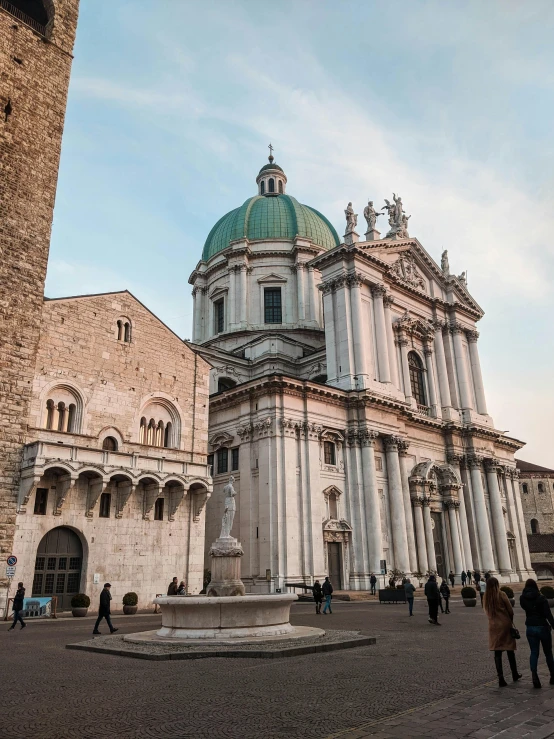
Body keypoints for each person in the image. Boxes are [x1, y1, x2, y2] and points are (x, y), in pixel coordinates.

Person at [483, 577, 521, 687]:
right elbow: (510, 610)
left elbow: (486, 611)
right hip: (504, 624)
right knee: (510, 650)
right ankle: (514, 674)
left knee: (497, 652)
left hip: (493, 626)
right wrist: (510, 621)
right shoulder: (502, 594)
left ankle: (501, 678)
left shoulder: (486, 596)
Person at [520, 578, 554, 688]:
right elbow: (548, 614)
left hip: (530, 627)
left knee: (534, 652)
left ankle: (534, 675)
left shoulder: (522, 598)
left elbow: (525, 608)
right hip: (542, 626)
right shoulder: (541, 598)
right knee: (548, 652)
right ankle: (553, 676)